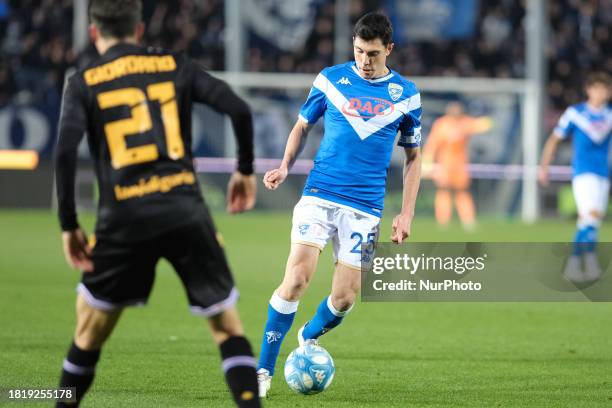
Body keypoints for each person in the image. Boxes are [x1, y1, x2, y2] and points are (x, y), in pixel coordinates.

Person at [54, 1, 260, 407]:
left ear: (94, 32)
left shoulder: (84, 81)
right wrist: (245, 170)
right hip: (185, 209)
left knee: (88, 334)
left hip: (123, 218)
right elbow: (238, 108)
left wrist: (69, 224)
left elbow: (63, 152)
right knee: (226, 328)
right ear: (140, 29)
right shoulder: (173, 66)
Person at [255, 12, 422, 397]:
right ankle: (262, 370)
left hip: (365, 208)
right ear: (353, 45)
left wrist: (407, 211)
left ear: (389, 50)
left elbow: (414, 158)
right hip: (319, 195)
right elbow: (302, 126)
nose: (365, 60)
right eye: (360, 51)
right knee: (296, 278)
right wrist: (284, 166)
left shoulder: (407, 94)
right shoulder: (331, 79)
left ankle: (308, 334)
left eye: (374, 54)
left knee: (345, 298)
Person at [539, 72, 611, 282]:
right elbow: (555, 139)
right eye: (596, 89)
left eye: (604, 89)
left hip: (603, 173)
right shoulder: (575, 113)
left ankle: (589, 263)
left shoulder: (609, 115)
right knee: (589, 216)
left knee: (593, 221)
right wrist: (544, 166)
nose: (600, 93)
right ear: (588, 90)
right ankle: (573, 264)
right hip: (583, 172)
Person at [422, 102, 492, 230]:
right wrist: (427, 162)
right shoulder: (442, 124)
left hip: (460, 165)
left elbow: (482, 125)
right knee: (443, 192)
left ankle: (468, 221)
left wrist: (488, 120)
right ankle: (443, 222)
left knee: (462, 192)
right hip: (445, 164)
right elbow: (432, 145)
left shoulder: (464, 123)